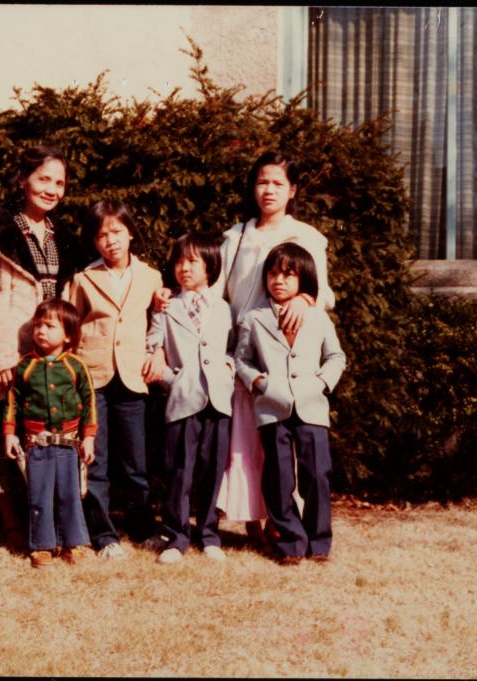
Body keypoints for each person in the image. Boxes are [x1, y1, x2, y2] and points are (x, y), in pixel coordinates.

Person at [209, 151, 335, 548]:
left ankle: (288, 524)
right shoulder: (237, 236)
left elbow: (324, 291)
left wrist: (306, 299)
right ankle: (254, 518)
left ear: (292, 190)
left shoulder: (308, 237)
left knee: (287, 445)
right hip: (244, 349)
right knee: (248, 442)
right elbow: (216, 290)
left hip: (288, 353)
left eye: (278, 183)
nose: (269, 190)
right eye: (263, 182)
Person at [0, 145, 87, 552]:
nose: (51, 189)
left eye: (59, 182)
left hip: (51, 356)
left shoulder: (64, 238)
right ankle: (11, 522)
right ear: (24, 180)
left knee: (47, 440)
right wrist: (0, 358)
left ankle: (49, 524)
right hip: (11, 352)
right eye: (43, 179)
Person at [234, 242, 345, 564]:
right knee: (279, 476)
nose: (278, 280)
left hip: (312, 405)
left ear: (303, 279)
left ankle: (319, 540)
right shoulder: (254, 318)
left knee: (318, 473)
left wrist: (322, 383)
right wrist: (259, 383)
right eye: (272, 274)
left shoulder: (317, 317)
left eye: (287, 274)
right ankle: (290, 541)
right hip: (273, 406)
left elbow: (336, 355)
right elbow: (243, 359)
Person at [69, 198, 167, 559]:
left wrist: (158, 354)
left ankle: (142, 526)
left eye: (117, 232)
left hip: (133, 377)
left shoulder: (152, 277)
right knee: (96, 460)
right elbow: (71, 327)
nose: (110, 241)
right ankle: (103, 534)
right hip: (93, 378)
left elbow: (161, 325)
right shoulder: (83, 279)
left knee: (135, 461)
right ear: (93, 242)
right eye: (101, 236)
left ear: (130, 233)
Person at [145, 233, 234, 564]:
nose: (184, 268)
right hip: (183, 400)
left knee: (213, 469)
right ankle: (176, 535)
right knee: (179, 470)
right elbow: (151, 347)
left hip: (219, 399)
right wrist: (173, 379)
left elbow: (236, 347)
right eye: (179, 261)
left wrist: (228, 367)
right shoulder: (166, 307)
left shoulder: (223, 308)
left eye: (193, 261)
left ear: (210, 266)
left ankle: (210, 533)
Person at [3, 300, 97, 568]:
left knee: (70, 494)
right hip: (37, 445)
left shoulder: (76, 367)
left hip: (69, 445)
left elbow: (89, 402)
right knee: (40, 495)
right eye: (38, 325)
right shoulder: (24, 367)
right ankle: (42, 545)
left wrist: (89, 437)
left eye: (50, 326)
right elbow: (13, 401)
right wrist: (10, 433)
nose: (41, 331)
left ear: (68, 335)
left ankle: (74, 543)